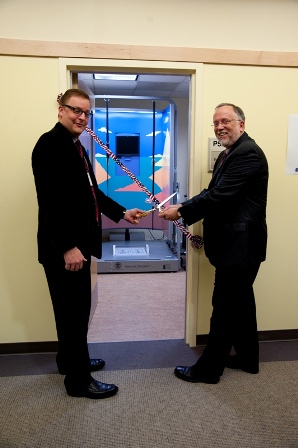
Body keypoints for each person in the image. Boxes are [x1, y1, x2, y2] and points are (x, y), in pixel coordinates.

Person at [32, 88, 143, 399]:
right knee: (74, 313)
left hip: (77, 246)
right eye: (75, 110)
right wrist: (68, 246)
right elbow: (50, 202)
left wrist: (123, 212)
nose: (81, 117)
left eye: (85, 112)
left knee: (73, 310)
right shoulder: (50, 145)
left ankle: (70, 361)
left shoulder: (75, 147)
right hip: (65, 249)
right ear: (60, 110)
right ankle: (79, 381)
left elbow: (93, 195)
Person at [159, 103, 268, 384]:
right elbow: (212, 191)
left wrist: (182, 211)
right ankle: (247, 359)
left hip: (240, 247)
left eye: (226, 121)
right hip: (234, 245)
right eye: (216, 122)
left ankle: (208, 370)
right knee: (241, 304)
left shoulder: (247, 154)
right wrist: (183, 204)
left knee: (224, 307)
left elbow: (220, 196)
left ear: (241, 124)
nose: (220, 127)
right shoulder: (229, 153)